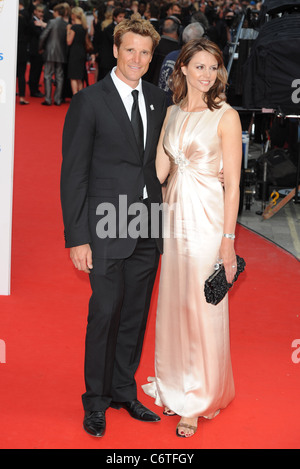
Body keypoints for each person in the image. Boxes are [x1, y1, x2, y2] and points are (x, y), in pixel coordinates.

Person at [60, 14, 167, 438]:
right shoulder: (90, 101)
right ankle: (96, 400)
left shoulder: (159, 99)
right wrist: (77, 236)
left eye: (145, 52)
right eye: (130, 51)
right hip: (104, 222)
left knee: (135, 313)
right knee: (105, 312)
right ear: (116, 51)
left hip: (146, 220)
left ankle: (124, 389)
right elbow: (74, 174)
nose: (137, 59)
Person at [142, 38, 242, 438]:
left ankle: (200, 398)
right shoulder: (170, 113)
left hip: (207, 220)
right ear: (181, 68)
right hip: (175, 220)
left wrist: (228, 239)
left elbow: (233, 185)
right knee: (175, 304)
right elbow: (159, 173)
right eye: (198, 66)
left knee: (203, 307)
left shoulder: (227, 116)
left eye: (212, 67)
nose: (206, 74)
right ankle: (173, 385)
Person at [39, 3, 67, 106]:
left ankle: (48, 99)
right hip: (61, 53)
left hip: (50, 52)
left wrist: (40, 48)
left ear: (56, 12)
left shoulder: (51, 22)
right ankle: (58, 99)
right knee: (59, 76)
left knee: (47, 75)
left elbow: (43, 36)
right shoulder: (65, 24)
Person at [66, 6, 88, 95]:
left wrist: (68, 30)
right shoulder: (84, 27)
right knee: (79, 76)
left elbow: (69, 42)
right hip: (82, 52)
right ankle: (80, 97)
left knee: (73, 76)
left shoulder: (74, 28)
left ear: (74, 15)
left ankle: (75, 96)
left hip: (74, 53)